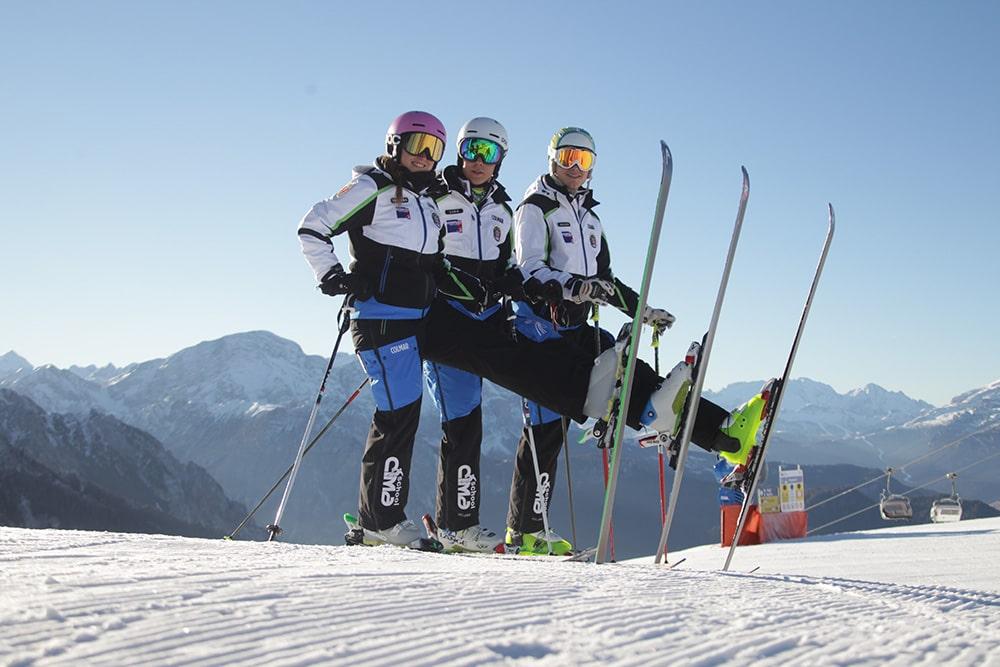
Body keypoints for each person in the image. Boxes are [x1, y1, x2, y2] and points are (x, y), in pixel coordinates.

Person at [503, 127, 766, 554]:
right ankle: (525, 531)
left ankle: (723, 435)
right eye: (568, 157)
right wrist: (575, 288)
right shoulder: (535, 208)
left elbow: (607, 280)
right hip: (542, 328)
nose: (575, 167)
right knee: (545, 430)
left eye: (584, 160)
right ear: (551, 159)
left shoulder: (589, 218)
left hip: (578, 328)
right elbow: (529, 269)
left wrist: (642, 311)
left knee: (633, 379)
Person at [297, 110, 451, 548]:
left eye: (434, 149)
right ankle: (380, 520)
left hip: (417, 320)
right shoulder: (372, 187)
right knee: (397, 414)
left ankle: (379, 517)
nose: (424, 156)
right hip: (381, 318)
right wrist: (332, 275)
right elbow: (312, 226)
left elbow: (430, 262)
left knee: (405, 413)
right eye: (417, 145)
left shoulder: (427, 201)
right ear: (394, 145)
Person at [422, 117, 520, 553]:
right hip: (447, 320)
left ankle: (461, 524)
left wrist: (511, 286)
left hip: (488, 321)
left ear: (501, 159)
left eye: (489, 152)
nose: (478, 161)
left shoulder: (503, 210)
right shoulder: (436, 196)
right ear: (459, 152)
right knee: (461, 421)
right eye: (471, 150)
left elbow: (506, 264)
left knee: (473, 418)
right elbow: (426, 255)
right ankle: (457, 526)